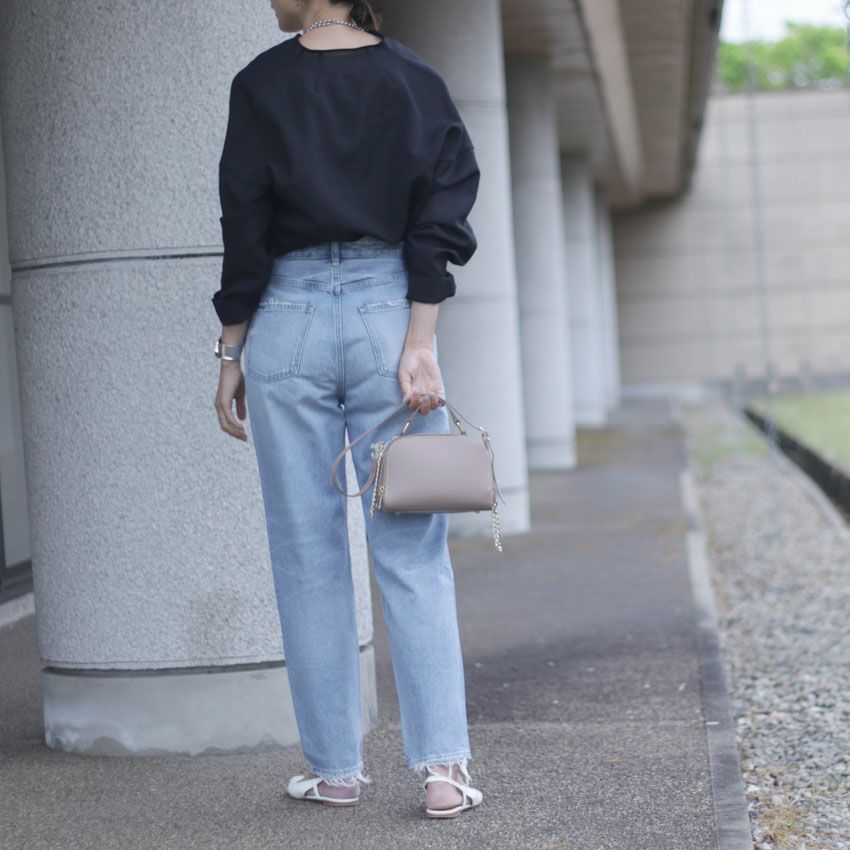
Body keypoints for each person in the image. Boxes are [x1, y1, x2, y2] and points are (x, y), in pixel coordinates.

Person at [211, 0, 483, 820]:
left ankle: (336, 771)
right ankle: (443, 771)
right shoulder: (412, 77)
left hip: (286, 316)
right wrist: (420, 338)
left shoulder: (261, 82)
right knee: (413, 551)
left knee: (306, 554)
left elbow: (244, 220)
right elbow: (444, 206)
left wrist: (231, 351)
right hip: (387, 312)